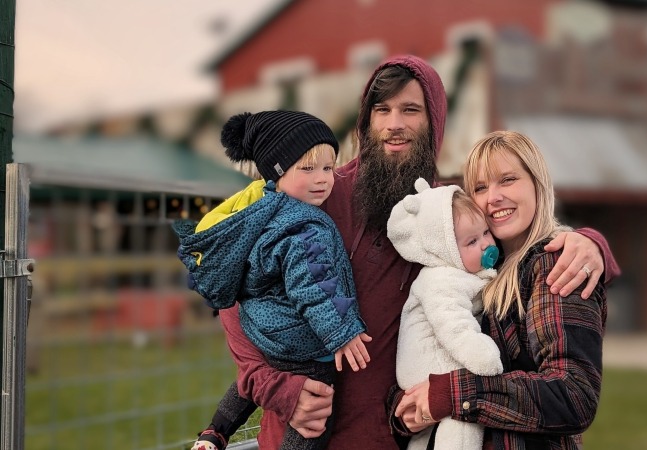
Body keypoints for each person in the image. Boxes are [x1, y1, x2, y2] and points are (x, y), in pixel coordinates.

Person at [210, 55, 620, 449]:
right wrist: (278, 388)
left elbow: (508, 216)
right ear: (365, 121)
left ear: (434, 122)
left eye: (411, 110)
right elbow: (235, 295)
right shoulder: (316, 193)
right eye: (382, 110)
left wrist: (591, 243)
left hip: (390, 437)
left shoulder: (444, 212)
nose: (394, 125)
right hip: (297, 432)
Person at [393, 131, 608, 449]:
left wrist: (452, 394)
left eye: (507, 180)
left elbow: (573, 394)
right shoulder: (477, 271)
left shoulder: (555, 264)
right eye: (480, 187)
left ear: (537, 183)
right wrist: (407, 411)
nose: (492, 197)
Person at [174, 110, 371, 450]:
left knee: (247, 383)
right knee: (315, 420)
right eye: (307, 169)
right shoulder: (304, 226)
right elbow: (312, 283)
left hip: (264, 333)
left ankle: (214, 433)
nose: (322, 179)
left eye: (328, 167)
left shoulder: (259, 208)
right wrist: (341, 332)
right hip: (304, 347)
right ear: (278, 172)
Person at [388, 178, 504, 450]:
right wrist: (483, 356)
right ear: (446, 250)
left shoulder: (463, 271)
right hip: (429, 365)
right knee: (463, 420)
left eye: (486, 233)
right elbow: (453, 325)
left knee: (421, 438)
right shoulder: (442, 281)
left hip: (431, 367)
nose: (486, 245)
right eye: (472, 241)